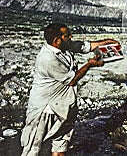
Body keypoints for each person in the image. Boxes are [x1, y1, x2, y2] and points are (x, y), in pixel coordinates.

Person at [20, 23, 119, 156]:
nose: (71, 37)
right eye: (67, 35)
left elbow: (85, 46)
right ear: (57, 40)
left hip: (64, 107)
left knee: (60, 147)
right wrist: (89, 64)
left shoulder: (64, 46)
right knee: (32, 149)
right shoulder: (48, 59)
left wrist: (106, 42)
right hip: (45, 110)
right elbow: (71, 80)